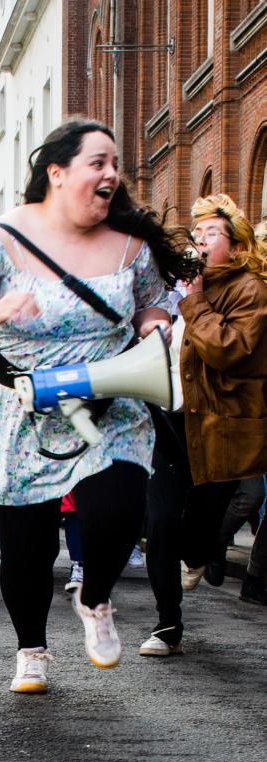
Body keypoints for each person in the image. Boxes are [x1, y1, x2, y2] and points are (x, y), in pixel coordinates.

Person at [0, 118, 194, 694]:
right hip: (21, 404)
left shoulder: (131, 244)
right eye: (97, 162)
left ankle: (94, 598)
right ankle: (31, 651)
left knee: (118, 507)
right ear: (57, 174)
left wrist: (156, 327)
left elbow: (152, 304)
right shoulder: (1, 239)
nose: (111, 173)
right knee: (28, 540)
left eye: (115, 163)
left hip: (109, 396)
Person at [141, 194, 267, 653]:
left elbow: (230, 349)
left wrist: (194, 305)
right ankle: (167, 626)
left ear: (235, 247)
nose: (197, 242)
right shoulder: (177, 288)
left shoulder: (249, 289)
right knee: (159, 524)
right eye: (195, 235)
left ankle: (199, 553)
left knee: (197, 531)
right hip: (170, 422)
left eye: (209, 234)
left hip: (217, 430)